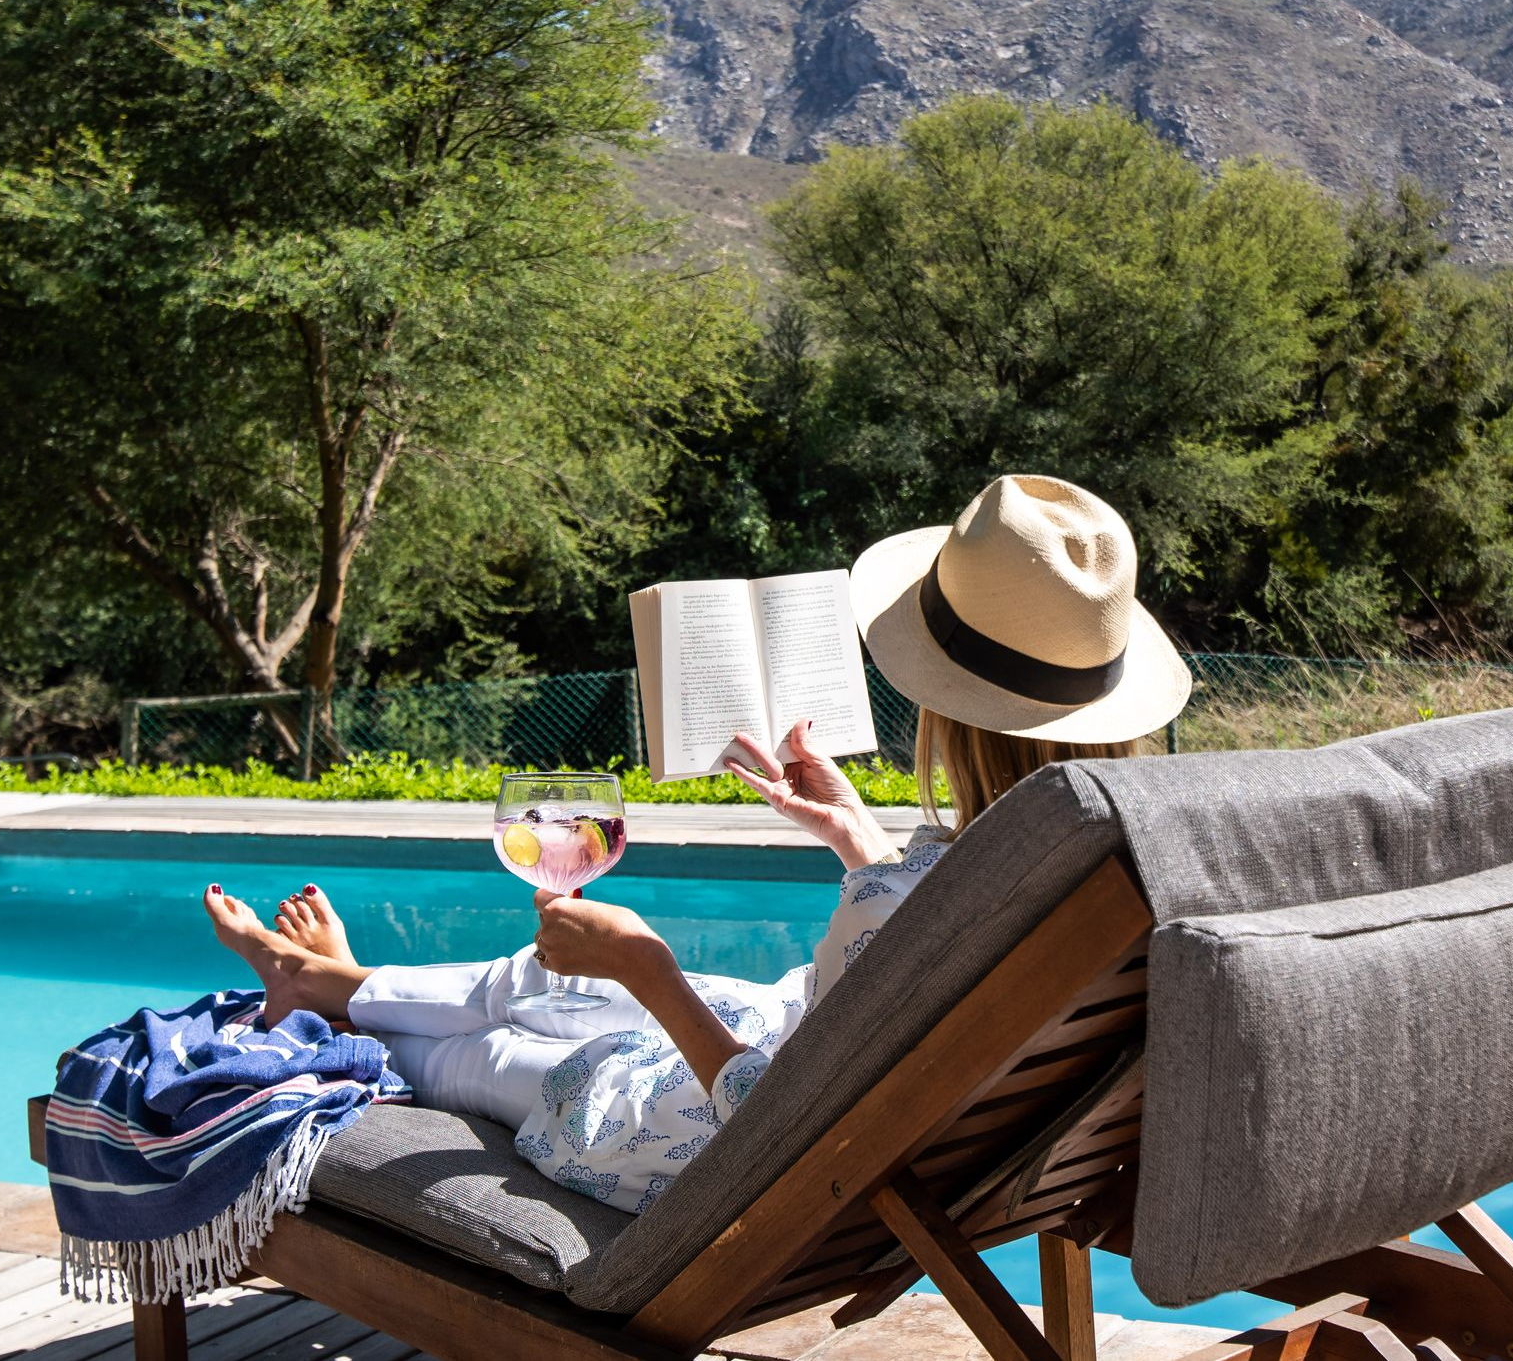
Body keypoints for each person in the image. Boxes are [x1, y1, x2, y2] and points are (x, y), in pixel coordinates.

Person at [200, 475, 1191, 1214]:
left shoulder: (923, 888)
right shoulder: (1132, 859)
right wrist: (859, 841)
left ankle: (325, 989)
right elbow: (922, 947)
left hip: (735, 1151)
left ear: (948, 714)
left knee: (502, 1041)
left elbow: (778, 1125)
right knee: (557, 984)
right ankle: (328, 980)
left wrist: (648, 969)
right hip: (856, 1116)